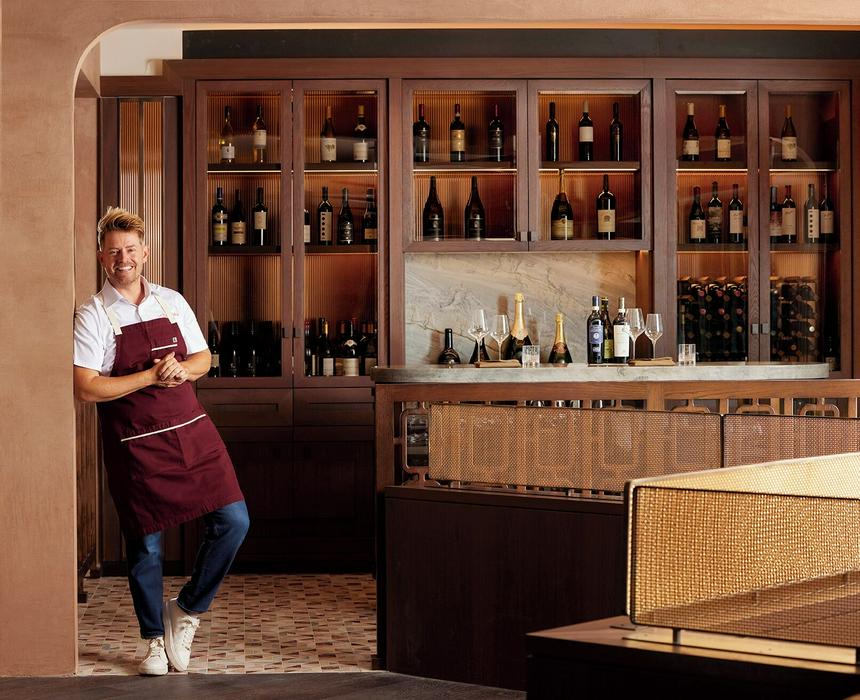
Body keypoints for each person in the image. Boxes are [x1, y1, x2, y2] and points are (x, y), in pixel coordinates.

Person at [73, 207, 249, 675]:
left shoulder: (171, 302)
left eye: (130, 249)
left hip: (191, 431)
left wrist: (181, 370)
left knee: (234, 521)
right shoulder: (92, 314)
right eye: (114, 252)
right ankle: (153, 639)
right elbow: (86, 387)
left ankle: (186, 610)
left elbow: (203, 360)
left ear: (145, 252)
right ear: (101, 257)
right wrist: (151, 376)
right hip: (136, 443)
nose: (123, 259)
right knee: (146, 545)